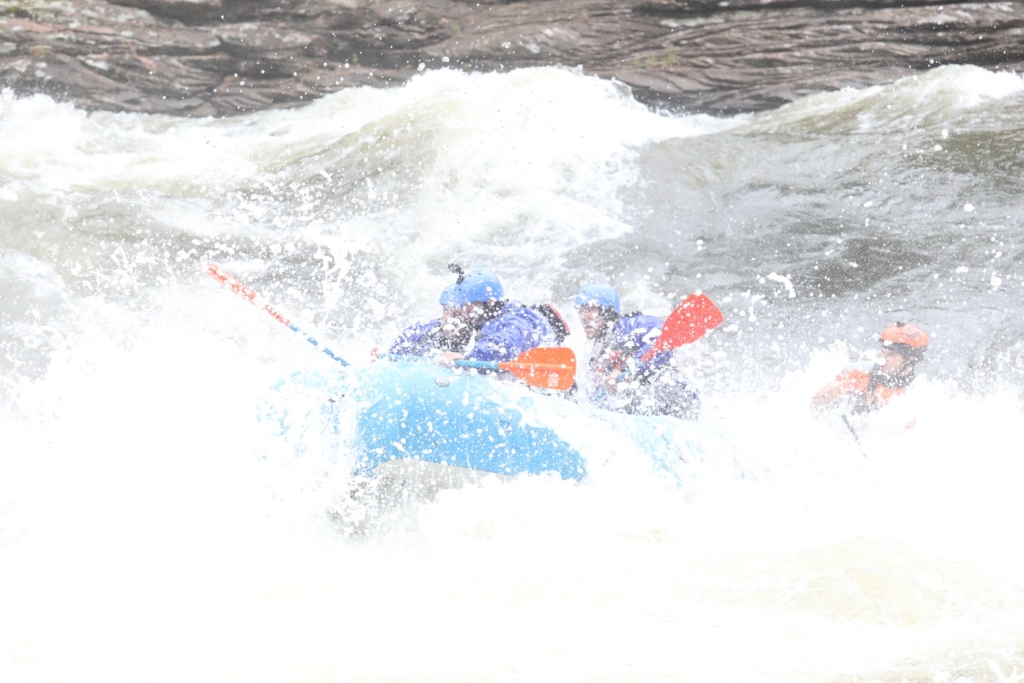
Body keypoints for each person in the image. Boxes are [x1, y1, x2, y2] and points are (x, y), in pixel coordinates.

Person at [389, 265, 568, 364]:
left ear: (489, 303)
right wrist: (393, 353)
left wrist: (470, 357)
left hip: (547, 390)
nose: (464, 313)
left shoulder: (520, 318)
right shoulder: (479, 320)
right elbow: (425, 329)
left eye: (468, 307)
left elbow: (505, 344)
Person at [572, 283, 700, 420]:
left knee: (656, 387)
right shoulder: (598, 354)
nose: (583, 317)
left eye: (590, 309)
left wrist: (623, 370)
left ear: (607, 311)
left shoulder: (634, 325)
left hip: (674, 394)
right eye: (581, 311)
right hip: (642, 406)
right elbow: (593, 398)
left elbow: (664, 345)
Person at [811, 322, 928, 414]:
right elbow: (814, 408)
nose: (882, 359)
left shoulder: (916, 394)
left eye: (891, 355)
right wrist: (822, 398)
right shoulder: (856, 373)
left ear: (910, 359)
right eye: (882, 352)